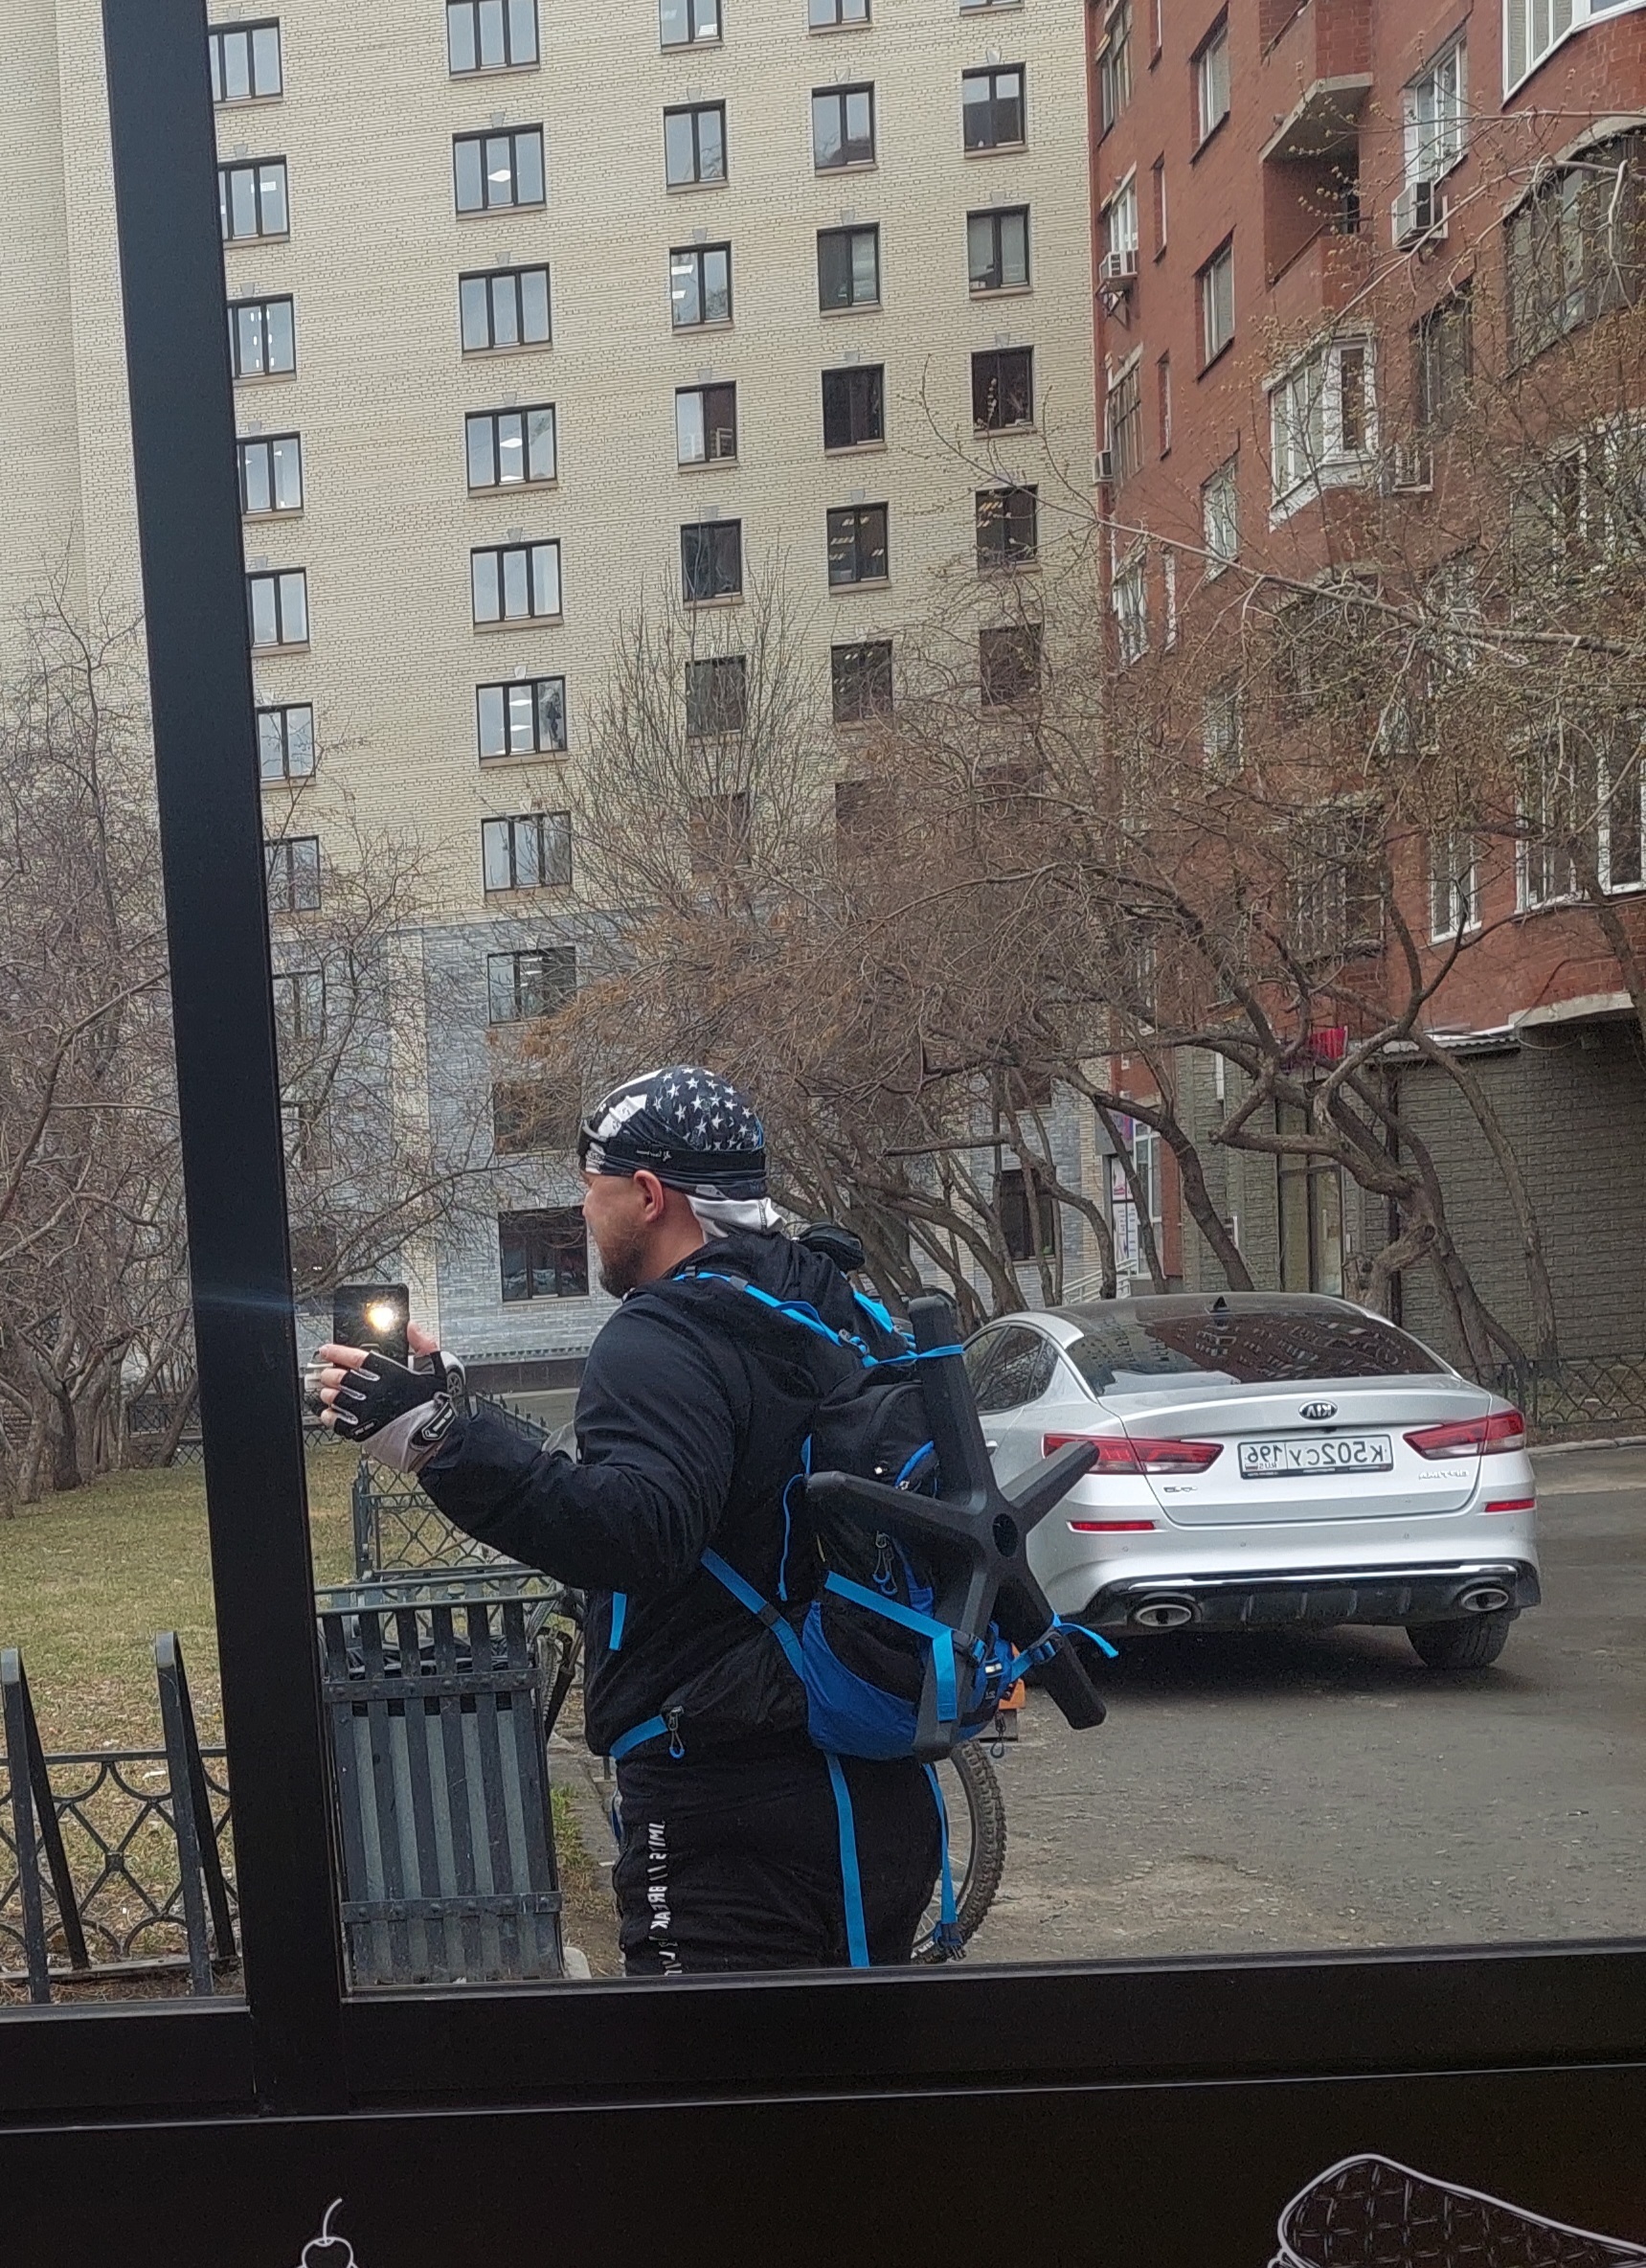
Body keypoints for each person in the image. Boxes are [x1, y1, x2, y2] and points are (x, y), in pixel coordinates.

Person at [310, 1065, 939, 1974]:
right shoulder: (830, 1303)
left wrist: (440, 1442)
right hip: (875, 1791)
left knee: (693, 2065)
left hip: (731, 1805)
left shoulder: (664, 1333)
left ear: (647, 1194)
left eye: (590, 1186)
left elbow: (643, 1534)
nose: (582, 1210)